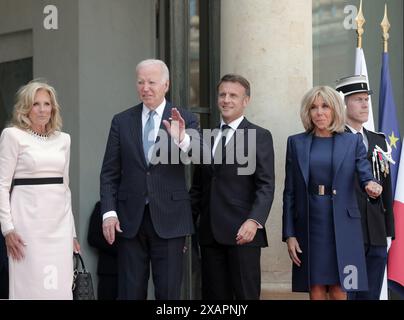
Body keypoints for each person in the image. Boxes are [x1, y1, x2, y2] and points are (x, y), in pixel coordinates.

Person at [100, 59, 199, 300]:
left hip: (170, 219)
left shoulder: (185, 118)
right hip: (129, 220)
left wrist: (182, 139)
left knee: (168, 293)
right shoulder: (121, 121)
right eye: (141, 82)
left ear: (166, 84)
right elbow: (109, 173)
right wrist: (109, 213)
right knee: (130, 292)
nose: (146, 88)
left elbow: (198, 155)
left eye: (152, 82)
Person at [282, 86, 383, 300]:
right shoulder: (296, 143)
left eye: (325, 106)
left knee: (340, 287)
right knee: (316, 287)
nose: (319, 112)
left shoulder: (352, 141)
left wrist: (372, 186)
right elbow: (289, 192)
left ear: (335, 109)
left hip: (344, 225)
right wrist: (289, 234)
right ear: (307, 112)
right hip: (310, 224)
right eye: (314, 108)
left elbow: (365, 175)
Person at [191, 74, 275, 300]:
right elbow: (198, 188)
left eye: (233, 95)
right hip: (210, 236)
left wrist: (254, 221)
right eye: (222, 94)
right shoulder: (206, 137)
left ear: (245, 100)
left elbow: (266, 185)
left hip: (243, 234)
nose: (226, 100)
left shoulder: (260, 136)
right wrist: (187, 228)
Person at [0, 80, 80, 299]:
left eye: (47, 104)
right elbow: (2, 185)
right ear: (26, 107)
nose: (43, 109)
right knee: (29, 287)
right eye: (36, 104)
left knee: (59, 288)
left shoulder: (64, 140)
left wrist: (71, 233)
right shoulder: (12, 136)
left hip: (59, 226)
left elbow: (65, 188)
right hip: (27, 225)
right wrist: (7, 229)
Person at [336, 75, 395, 300]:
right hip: (349, 230)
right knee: (350, 294)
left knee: (371, 295)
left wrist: (389, 231)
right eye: (358, 99)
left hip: (377, 232)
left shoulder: (378, 140)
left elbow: (386, 187)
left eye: (366, 99)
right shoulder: (334, 139)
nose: (365, 104)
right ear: (343, 103)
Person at [87, 201, 118, 300]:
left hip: (134, 271)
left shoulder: (134, 207)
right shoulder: (102, 206)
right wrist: (119, 248)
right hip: (109, 270)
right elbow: (93, 238)